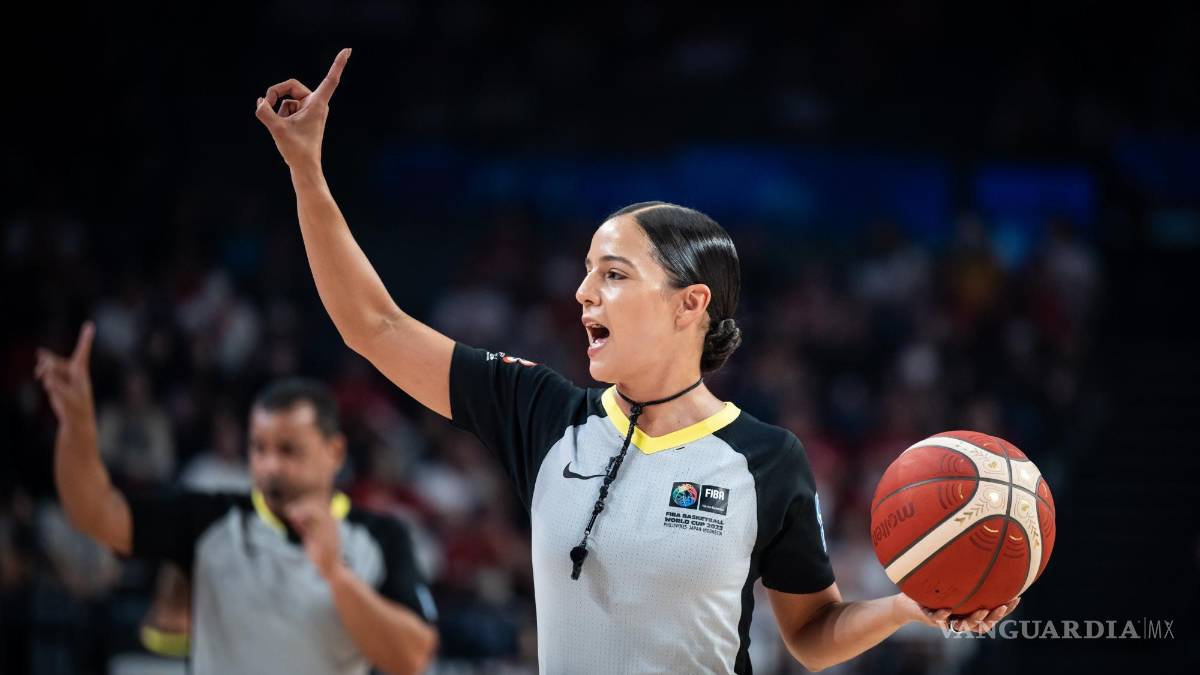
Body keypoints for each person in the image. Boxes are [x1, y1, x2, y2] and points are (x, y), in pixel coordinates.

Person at [253, 49, 1019, 674]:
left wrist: (906, 606)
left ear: (690, 304)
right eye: (587, 271)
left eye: (613, 274)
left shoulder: (768, 459)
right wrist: (306, 172)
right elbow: (373, 325)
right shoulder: (542, 413)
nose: (583, 292)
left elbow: (813, 635)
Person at [34, 327, 438, 675]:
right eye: (259, 448)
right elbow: (94, 513)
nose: (269, 465)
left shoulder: (380, 537)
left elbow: (413, 656)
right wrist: (78, 427)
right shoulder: (208, 519)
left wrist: (337, 576)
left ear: (335, 451)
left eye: (288, 450)